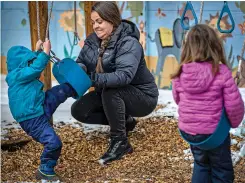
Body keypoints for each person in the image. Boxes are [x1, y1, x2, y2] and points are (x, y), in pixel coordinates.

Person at [71, 2, 159, 165]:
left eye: (99, 21)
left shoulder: (128, 43)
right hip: (109, 91)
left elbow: (123, 76)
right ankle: (125, 121)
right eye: (93, 22)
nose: (95, 26)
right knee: (80, 110)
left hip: (143, 97)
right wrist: (77, 70)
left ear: (111, 20)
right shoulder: (93, 40)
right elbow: (82, 61)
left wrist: (92, 79)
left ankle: (120, 142)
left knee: (112, 91)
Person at [171, 24, 244, 183]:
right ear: (215, 46)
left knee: (201, 163)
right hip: (214, 134)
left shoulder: (180, 72)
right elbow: (234, 105)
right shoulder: (221, 71)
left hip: (190, 133)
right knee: (220, 167)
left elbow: (178, 100)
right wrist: (234, 122)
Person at [6, 39, 77, 181]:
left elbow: (31, 66)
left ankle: (75, 89)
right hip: (32, 119)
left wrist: (37, 52)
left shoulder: (21, 72)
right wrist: (45, 52)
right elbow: (34, 68)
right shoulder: (16, 76)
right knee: (54, 143)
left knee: (59, 91)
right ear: (21, 65)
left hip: (40, 105)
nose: (31, 63)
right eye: (28, 61)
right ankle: (45, 169)